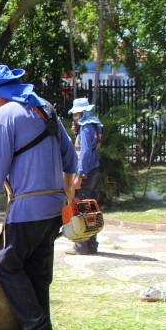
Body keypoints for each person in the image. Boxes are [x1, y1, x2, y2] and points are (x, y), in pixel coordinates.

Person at [0, 65, 77, 330]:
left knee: (6, 264)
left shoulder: (6, 114)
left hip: (27, 208)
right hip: (53, 207)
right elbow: (70, 158)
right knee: (34, 269)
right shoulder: (46, 108)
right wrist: (68, 197)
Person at [67, 98, 102, 255]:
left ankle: (81, 245)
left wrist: (80, 175)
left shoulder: (87, 127)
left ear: (83, 112)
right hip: (94, 170)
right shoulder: (94, 125)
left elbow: (86, 152)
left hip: (87, 172)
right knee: (91, 207)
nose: (75, 116)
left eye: (77, 113)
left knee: (80, 206)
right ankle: (92, 244)